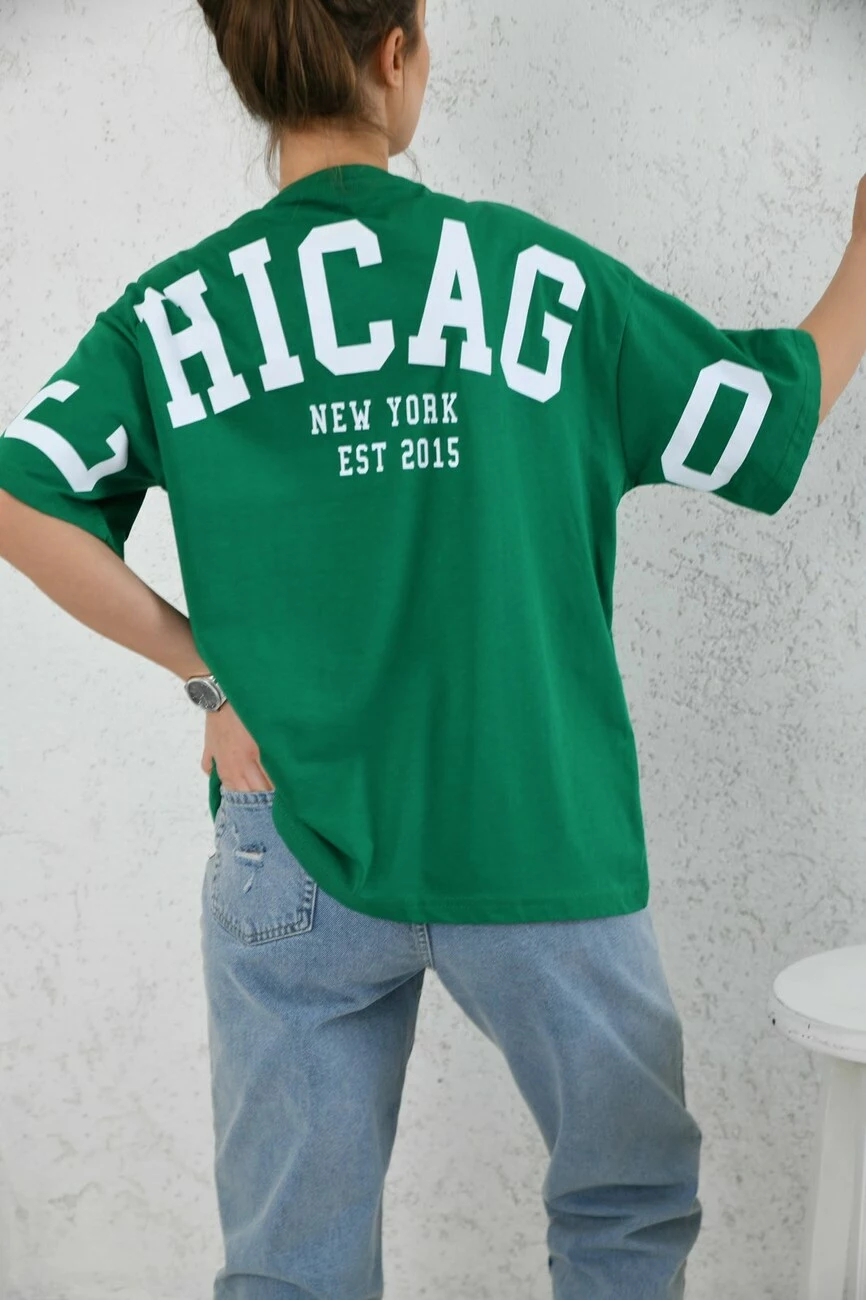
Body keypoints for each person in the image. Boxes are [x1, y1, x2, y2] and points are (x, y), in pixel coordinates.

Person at [0, 0, 864, 1295]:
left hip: (290, 837)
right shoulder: (538, 279)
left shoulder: (170, 313)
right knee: (624, 1203)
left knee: (289, 1268)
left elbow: (22, 496)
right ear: (395, 50)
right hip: (531, 829)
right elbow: (762, 427)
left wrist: (206, 677)